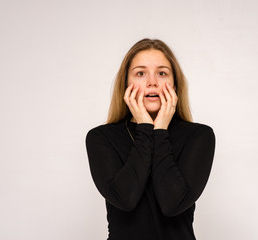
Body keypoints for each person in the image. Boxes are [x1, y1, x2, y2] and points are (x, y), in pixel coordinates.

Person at [85, 38, 215, 240]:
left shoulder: (199, 136)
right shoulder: (101, 138)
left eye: (162, 73)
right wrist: (145, 128)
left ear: (174, 84)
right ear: (126, 84)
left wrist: (160, 129)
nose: (152, 82)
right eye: (140, 73)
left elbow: (172, 204)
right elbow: (125, 198)